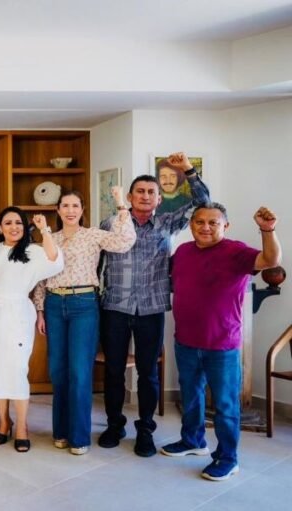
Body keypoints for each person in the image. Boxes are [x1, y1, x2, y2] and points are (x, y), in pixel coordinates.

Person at [98, 151, 210, 457]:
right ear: (130, 197)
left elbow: (203, 203)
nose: (145, 196)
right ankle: (114, 425)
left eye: (151, 192)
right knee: (113, 371)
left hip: (151, 309)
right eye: (140, 191)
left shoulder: (168, 223)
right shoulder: (110, 223)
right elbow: (97, 263)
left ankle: (145, 430)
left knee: (148, 373)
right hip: (115, 307)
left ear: (159, 199)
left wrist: (189, 170)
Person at [161, 204, 281, 481]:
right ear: (191, 224)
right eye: (199, 222)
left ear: (225, 226)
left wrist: (267, 230)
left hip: (222, 344)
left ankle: (228, 458)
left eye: (213, 223)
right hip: (186, 340)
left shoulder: (236, 251)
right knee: (191, 396)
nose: (205, 227)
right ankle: (193, 441)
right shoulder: (183, 252)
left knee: (226, 406)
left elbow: (271, 260)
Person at [34, 188, 135, 455]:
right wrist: (40, 310)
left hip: (84, 304)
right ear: (57, 210)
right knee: (58, 371)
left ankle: (79, 437)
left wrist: (120, 204)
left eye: (75, 206)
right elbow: (41, 277)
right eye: (65, 206)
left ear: (82, 210)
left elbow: (125, 241)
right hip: (54, 304)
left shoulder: (93, 235)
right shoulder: (49, 238)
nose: (70, 210)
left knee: (79, 372)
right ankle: (61, 431)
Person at [0, 207, 63, 453]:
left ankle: (22, 427)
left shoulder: (33, 251)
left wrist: (44, 229)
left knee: (17, 370)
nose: (13, 227)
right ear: (0, 228)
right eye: (7, 223)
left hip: (18, 313)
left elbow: (55, 261)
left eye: (18, 222)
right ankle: (3, 422)